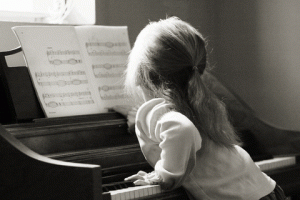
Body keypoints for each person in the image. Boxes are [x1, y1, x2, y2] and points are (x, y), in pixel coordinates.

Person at [113, 17, 287, 200]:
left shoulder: (166, 115)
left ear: (142, 76)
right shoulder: (198, 102)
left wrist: (162, 176)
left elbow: (182, 129)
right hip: (263, 190)